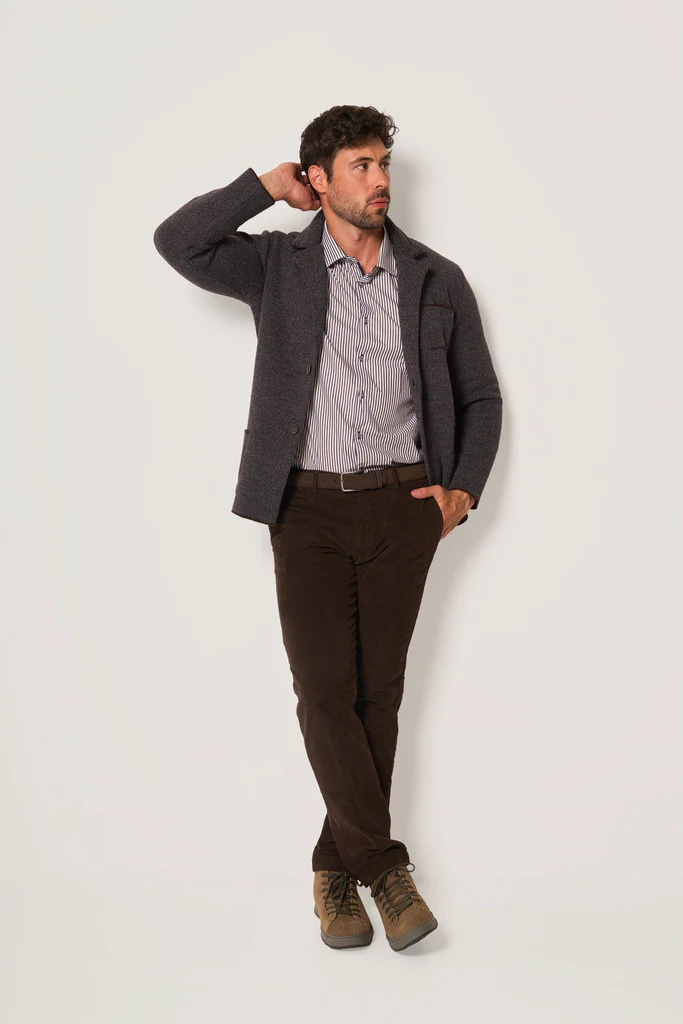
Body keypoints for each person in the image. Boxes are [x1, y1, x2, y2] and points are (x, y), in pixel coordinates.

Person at [153, 104, 503, 952]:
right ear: (319, 178)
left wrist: (461, 489)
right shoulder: (277, 267)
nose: (379, 180)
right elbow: (179, 242)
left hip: (402, 507)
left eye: (383, 164)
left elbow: (479, 396)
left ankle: (331, 868)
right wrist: (263, 187)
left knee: (377, 693)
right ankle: (382, 868)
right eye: (359, 166)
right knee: (322, 692)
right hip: (303, 508)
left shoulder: (435, 277)